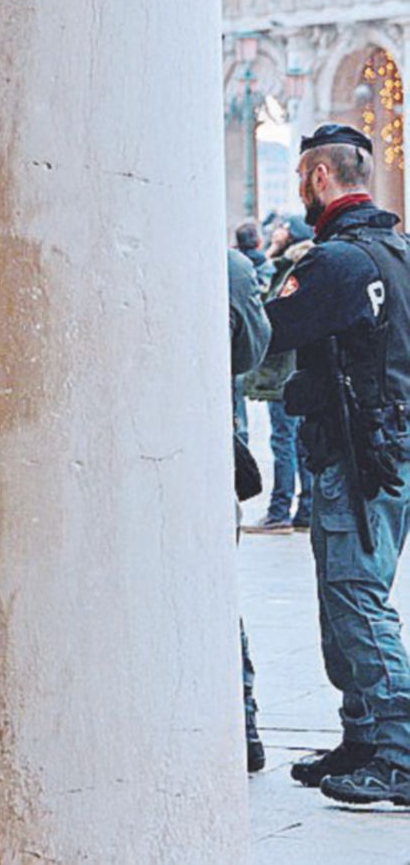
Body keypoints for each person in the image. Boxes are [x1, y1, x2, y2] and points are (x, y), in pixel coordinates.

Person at [265, 124, 410, 806]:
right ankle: (362, 736)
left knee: (355, 596)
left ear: (320, 178)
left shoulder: (337, 261)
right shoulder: (397, 251)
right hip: (388, 448)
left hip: (354, 454)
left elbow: (269, 331)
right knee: (347, 596)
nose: (299, 191)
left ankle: (400, 751)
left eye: (301, 177)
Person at [244, 215, 315, 533]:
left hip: (282, 373)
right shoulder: (288, 265)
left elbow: (271, 314)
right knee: (296, 442)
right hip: (290, 370)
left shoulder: (288, 268)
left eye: (282, 229)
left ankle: (279, 511)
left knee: (284, 441)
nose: (276, 232)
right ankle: (304, 510)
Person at [229, 248, 272, 773]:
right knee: (215, 589)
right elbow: (251, 352)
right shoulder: (232, 268)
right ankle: (241, 725)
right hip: (201, 448)